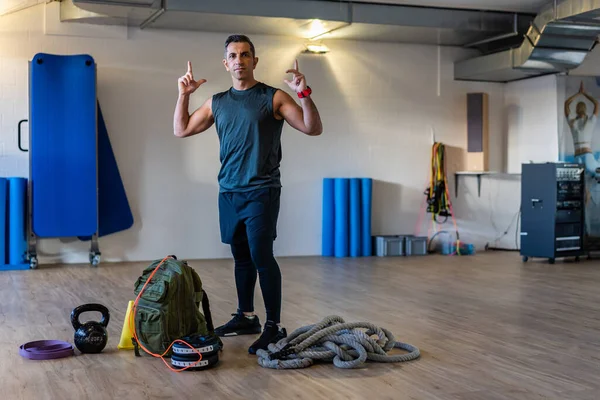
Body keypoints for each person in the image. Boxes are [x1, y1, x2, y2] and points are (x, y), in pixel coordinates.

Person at [172, 34, 323, 354]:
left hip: (261, 190)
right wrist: (183, 95)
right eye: (233, 55)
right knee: (241, 257)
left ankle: (273, 326)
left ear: (254, 61)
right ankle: (246, 316)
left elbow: (312, 129)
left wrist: (304, 94)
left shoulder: (274, 97)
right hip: (229, 191)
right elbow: (181, 129)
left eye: (245, 54)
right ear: (226, 63)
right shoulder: (217, 101)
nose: (239, 60)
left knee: (261, 256)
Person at [565, 81, 599, 178]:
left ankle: (587, 192)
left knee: (579, 184)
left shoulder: (572, 122)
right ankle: (588, 193)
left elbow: (566, 104)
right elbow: (596, 103)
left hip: (578, 157)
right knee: (587, 181)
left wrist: (578, 94)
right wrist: (584, 93)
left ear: (576, 109)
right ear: (585, 109)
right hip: (586, 156)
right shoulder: (591, 121)